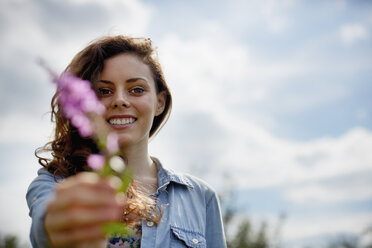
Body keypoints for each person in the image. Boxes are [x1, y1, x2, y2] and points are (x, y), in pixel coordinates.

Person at [26, 35, 226, 248]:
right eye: (104, 91)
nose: (120, 100)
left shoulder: (201, 196)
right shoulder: (54, 184)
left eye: (137, 89)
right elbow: (46, 223)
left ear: (159, 102)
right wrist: (58, 225)